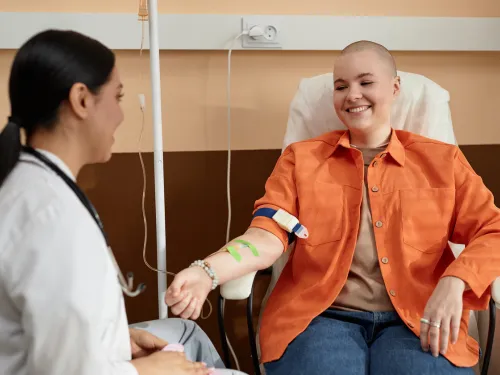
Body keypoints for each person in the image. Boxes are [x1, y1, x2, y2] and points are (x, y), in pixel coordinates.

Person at [165, 40, 500, 375]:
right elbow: (266, 236)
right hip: (319, 318)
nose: (352, 95)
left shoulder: (441, 161)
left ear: (395, 87)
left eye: (366, 82)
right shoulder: (301, 160)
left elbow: (493, 231)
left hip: (417, 318)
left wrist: (455, 281)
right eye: (341, 86)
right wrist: (206, 271)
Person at [0, 29, 216, 375]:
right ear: (82, 100)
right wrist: (151, 371)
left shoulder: (32, 185)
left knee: (186, 334)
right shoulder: (53, 217)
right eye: (117, 97)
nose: (121, 115)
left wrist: (117, 339)